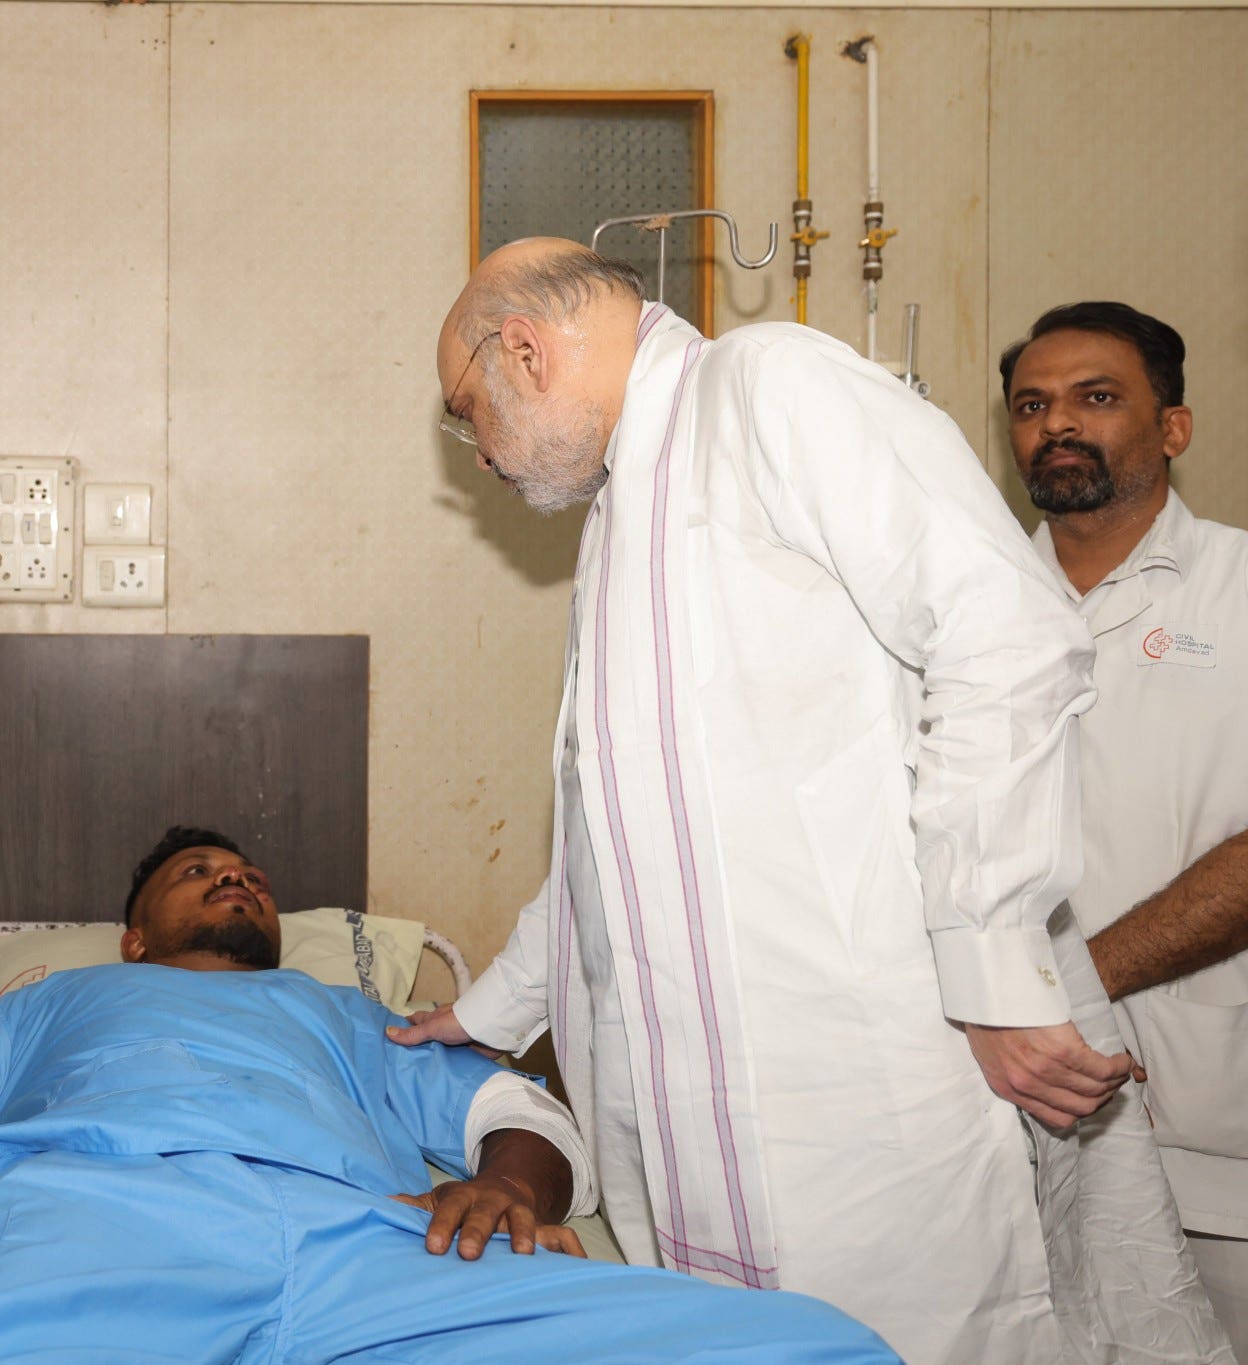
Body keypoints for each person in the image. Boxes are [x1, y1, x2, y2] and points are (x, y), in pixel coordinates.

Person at [391, 239, 1229, 1363]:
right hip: (694, 1110)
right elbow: (612, 838)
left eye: (466, 412)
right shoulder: (622, 512)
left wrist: (990, 961)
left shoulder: (765, 386)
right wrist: (491, 1008)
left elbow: (1005, 632)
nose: (476, 451)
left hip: (854, 1083)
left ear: (525, 352)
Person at [0, 827, 896, 1365]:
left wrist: (502, 1186)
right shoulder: (44, 1008)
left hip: (361, 1251)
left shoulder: (351, 1017)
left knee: (815, 1348)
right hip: (93, 1231)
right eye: (197, 873)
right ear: (131, 936)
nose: (235, 879)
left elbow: (513, 1115)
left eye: (248, 875)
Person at [1002, 300, 1248, 1354]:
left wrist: (1067, 988)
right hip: (1009, 1125)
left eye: (1094, 398)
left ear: (1172, 428)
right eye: (1029, 405)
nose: (1056, 423)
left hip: (1212, 1138)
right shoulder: (962, 612)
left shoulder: (1237, 595)